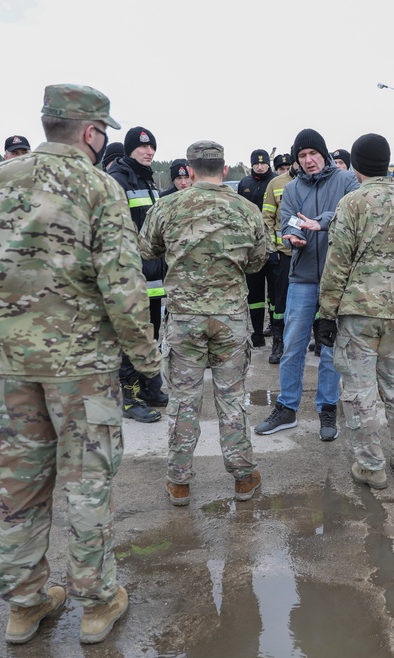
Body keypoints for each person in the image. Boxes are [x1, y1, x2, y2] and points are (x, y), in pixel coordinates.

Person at [0, 83, 160, 644]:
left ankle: (24, 604)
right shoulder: (98, 186)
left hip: (14, 368)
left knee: (18, 487)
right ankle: (96, 603)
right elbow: (122, 285)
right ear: (91, 133)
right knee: (88, 487)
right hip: (82, 370)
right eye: (104, 133)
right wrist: (145, 359)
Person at [139, 140, 268, 506]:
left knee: (183, 401)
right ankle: (243, 477)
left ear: (190, 171)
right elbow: (259, 260)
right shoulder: (245, 209)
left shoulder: (167, 206)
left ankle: (179, 481)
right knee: (231, 399)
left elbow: (146, 249)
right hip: (229, 319)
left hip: (185, 319)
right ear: (224, 171)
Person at [316, 133, 394, 488]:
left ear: (358, 164)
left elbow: (337, 264)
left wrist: (325, 313)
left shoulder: (352, 203)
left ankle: (371, 466)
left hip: (359, 314)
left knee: (360, 391)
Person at [253, 129, 358, 440]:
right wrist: (292, 234)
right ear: (296, 160)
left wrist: (320, 221)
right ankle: (286, 408)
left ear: (323, 154)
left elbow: (346, 212)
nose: (308, 160)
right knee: (292, 345)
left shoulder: (346, 181)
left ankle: (328, 409)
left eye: (313, 154)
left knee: (329, 347)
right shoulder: (292, 188)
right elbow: (287, 219)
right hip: (301, 277)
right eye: (302, 156)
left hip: (335, 278)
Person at [107, 126, 168, 420]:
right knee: (131, 339)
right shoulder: (118, 181)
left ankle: (150, 388)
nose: (149, 152)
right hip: (130, 278)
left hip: (154, 277)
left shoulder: (148, 181)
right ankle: (129, 399)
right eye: (143, 148)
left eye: (152, 148)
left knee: (152, 336)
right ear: (130, 150)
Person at [237, 149, 277, 347]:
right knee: (254, 293)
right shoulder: (245, 184)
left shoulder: (275, 182)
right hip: (251, 247)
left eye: (263, 163)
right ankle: (258, 333)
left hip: (272, 246)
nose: (260, 166)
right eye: (256, 164)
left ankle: (277, 332)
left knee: (275, 293)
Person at [262, 154, 295, 364]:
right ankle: (278, 343)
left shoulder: (318, 180)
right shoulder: (276, 183)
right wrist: (272, 249)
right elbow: (266, 219)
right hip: (284, 254)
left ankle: (319, 340)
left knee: (318, 302)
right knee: (279, 302)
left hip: (312, 256)